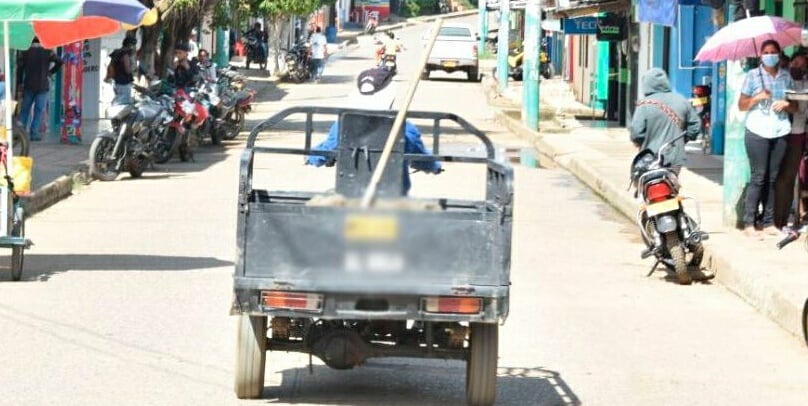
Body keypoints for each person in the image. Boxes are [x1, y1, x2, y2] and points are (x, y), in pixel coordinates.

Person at [305, 69, 442, 195]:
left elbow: (324, 152)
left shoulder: (343, 124)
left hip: (350, 195)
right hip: (394, 198)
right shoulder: (403, 127)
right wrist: (435, 166)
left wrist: (310, 158)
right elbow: (421, 158)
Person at [738, 39, 798, 238]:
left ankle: (769, 222)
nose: (770, 55)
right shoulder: (753, 76)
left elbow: (795, 106)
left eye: (773, 52)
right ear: (761, 55)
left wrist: (785, 104)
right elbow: (742, 104)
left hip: (780, 130)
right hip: (757, 131)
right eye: (766, 52)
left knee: (772, 178)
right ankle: (749, 222)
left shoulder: (786, 77)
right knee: (758, 176)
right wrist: (757, 97)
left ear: (779, 54)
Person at [629, 68, 701, 175]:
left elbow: (636, 132)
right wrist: (682, 140)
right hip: (675, 157)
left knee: (648, 186)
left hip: (650, 157)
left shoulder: (644, 104)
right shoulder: (682, 100)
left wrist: (640, 142)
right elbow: (695, 126)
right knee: (671, 184)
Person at [775, 52, 808, 228]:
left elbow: (801, 111)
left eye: (802, 66)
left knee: (789, 178)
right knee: (776, 177)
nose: (797, 67)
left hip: (797, 133)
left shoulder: (804, 84)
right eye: (795, 63)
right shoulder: (782, 82)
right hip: (778, 133)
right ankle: (774, 218)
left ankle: (785, 217)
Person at [16, 37, 62, 141]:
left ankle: (19, 134)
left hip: (29, 85)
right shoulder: (48, 51)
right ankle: (34, 133)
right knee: (39, 110)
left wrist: (19, 83)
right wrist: (50, 72)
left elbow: (20, 69)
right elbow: (59, 61)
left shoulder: (25, 51)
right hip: (42, 86)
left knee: (25, 110)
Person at [107, 37, 137, 105]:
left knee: (119, 100)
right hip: (124, 82)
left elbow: (111, 65)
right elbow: (127, 70)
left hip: (116, 82)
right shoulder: (125, 54)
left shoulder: (116, 52)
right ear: (130, 45)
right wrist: (133, 67)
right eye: (133, 45)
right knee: (123, 104)